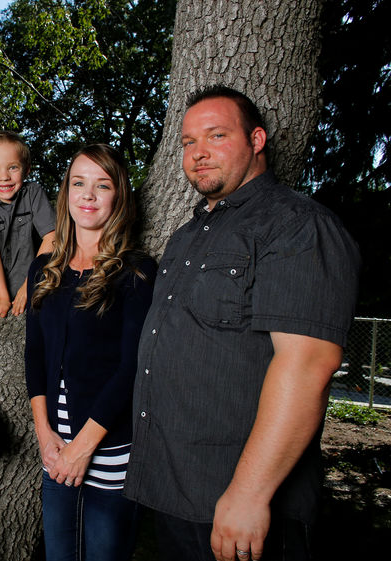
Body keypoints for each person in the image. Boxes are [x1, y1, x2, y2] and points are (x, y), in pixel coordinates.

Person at [124, 86, 361, 561]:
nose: (199, 153)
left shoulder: (296, 224)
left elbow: (307, 365)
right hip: (176, 491)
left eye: (217, 135)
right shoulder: (186, 237)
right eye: (188, 142)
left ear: (257, 139)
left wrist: (249, 494)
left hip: (238, 501)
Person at [25, 144, 156, 561]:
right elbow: (35, 353)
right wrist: (45, 434)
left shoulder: (136, 270)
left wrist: (84, 447)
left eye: (102, 186)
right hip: (54, 450)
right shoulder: (44, 268)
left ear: (118, 198)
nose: (88, 195)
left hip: (108, 449)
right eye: (78, 183)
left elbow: (133, 366)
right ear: (65, 193)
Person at [0, 131, 56, 331]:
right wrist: (2, 299)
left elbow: (52, 236)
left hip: (30, 285)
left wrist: (30, 284)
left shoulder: (33, 193)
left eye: (13, 167)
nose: (4, 177)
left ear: (26, 170)